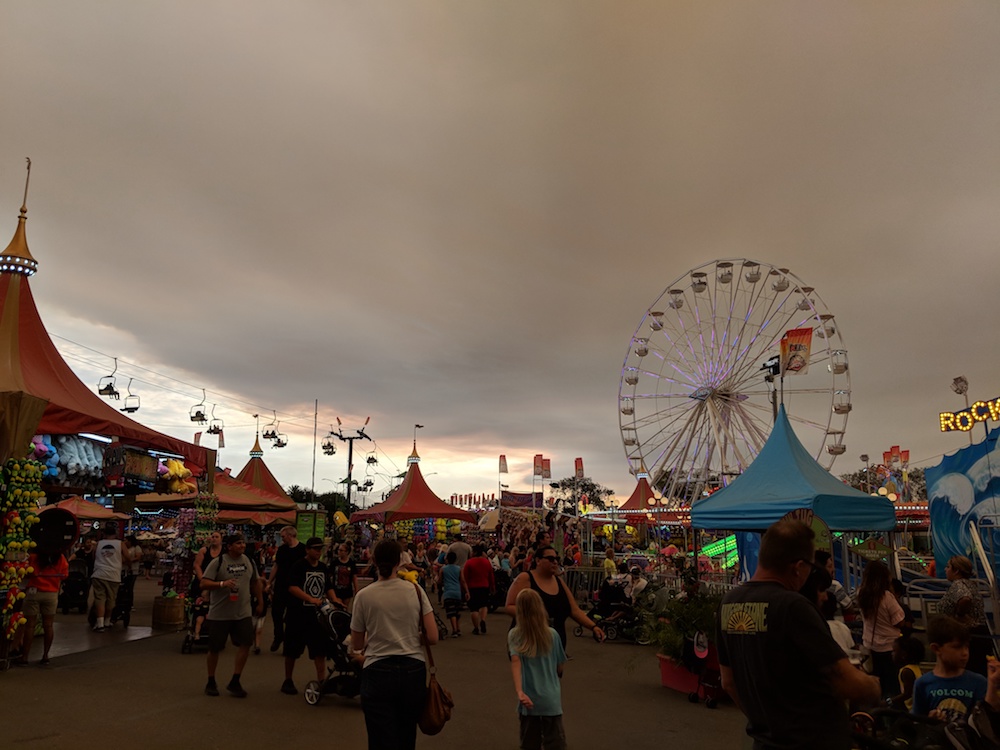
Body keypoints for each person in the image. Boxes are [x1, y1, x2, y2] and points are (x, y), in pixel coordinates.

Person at [717, 520, 880, 750]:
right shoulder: (793, 605)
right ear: (798, 566)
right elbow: (843, 679)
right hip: (812, 740)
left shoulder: (729, 602)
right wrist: (873, 686)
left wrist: (765, 722)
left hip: (765, 742)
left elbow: (729, 682)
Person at [351, 539, 438, 750]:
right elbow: (433, 636)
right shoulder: (415, 591)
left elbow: (357, 642)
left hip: (377, 670)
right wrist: (408, 635)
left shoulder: (364, 596)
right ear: (400, 561)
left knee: (380, 738)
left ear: (373, 560)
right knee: (406, 735)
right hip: (412, 669)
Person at [201, 533, 264, 698]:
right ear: (229, 546)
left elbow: (255, 582)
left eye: (243, 543)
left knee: (246, 643)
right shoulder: (218, 562)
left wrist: (260, 601)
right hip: (220, 614)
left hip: (242, 613)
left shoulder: (249, 561)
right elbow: (204, 582)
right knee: (214, 648)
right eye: (238, 543)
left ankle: (235, 680)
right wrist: (222, 584)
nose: (242, 546)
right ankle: (211, 680)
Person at [504, 545, 604, 648]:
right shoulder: (525, 578)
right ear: (538, 560)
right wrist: (535, 617)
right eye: (551, 559)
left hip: (555, 645)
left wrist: (593, 627)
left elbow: (574, 610)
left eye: (557, 559)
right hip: (529, 643)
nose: (555, 562)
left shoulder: (559, 581)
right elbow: (509, 606)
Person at [509, 588, 568, 750]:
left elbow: (515, 662)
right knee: (555, 742)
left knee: (529, 743)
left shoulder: (515, 635)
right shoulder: (553, 635)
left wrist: (520, 692)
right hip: (551, 699)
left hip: (529, 699)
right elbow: (560, 667)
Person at [282, 538, 341, 695]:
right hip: (297, 615)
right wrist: (310, 599)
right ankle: (288, 679)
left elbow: (328, 586)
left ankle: (321, 681)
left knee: (319, 650)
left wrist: (335, 600)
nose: (318, 552)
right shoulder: (298, 566)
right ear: (307, 550)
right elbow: (292, 587)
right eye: (315, 549)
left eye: (320, 549)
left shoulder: (322, 567)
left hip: (317, 617)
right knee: (292, 650)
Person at [911, 615, 987, 722]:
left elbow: (986, 723)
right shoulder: (923, 684)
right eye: (957, 647)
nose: (965, 653)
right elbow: (916, 724)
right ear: (936, 648)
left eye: (966, 646)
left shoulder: (978, 682)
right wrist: (929, 721)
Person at [857, 560, 906, 697]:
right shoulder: (887, 597)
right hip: (889, 647)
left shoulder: (861, 594)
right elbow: (899, 622)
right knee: (891, 685)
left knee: (876, 683)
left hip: (869, 645)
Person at [15, 548, 69, 666]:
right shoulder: (60, 557)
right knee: (48, 625)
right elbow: (65, 575)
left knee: (30, 626)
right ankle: (45, 656)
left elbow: (27, 572)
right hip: (51, 594)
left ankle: (25, 657)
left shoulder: (34, 557)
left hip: (34, 592)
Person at [940, 555, 990, 676]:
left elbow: (965, 599)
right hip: (978, 633)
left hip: (967, 634)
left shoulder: (958, 585)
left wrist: (959, 616)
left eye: (948, 567)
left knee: (970, 672)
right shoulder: (969, 584)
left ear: (956, 570)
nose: (945, 570)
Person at [266, 525, 306, 652]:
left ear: (290, 535)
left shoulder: (302, 549)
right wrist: (269, 582)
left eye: (283, 536)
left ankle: (288, 644)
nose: (282, 539)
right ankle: (278, 636)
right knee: (276, 612)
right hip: (280, 586)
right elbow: (276, 566)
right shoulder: (282, 549)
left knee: (292, 617)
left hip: (296, 587)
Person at [91, 524, 123, 632]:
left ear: (104, 534)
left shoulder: (98, 544)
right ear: (115, 534)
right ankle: (107, 621)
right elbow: (127, 557)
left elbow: (94, 556)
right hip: (114, 575)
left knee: (100, 599)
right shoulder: (120, 544)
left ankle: (100, 624)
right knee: (111, 599)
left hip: (99, 574)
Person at [888, 634, 925, 711]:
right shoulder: (915, 668)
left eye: (894, 651)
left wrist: (889, 702)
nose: (892, 654)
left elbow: (907, 694)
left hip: (912, 710)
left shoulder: (907, 671)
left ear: (903, 655)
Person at [465, 544, 496, 635]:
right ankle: (483, 619)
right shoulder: (486, 562)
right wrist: (492, 587)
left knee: (473, 608)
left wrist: (464, 589)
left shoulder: (469, 562)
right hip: (484, 586)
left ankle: (476, 628)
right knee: (483, 605)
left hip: (472, 587)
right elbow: (491, 576)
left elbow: (465, 577)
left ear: (474, 552)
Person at [814, 550, 855, 619]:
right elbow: (849, 608)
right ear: (821, 568)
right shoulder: (834, 585)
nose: (833, 569)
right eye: (829, 566)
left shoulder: (805, 585)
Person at [439, 550, 468, 637]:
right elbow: (462, 581)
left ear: (447, 559)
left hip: (448, 592)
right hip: (457, 592)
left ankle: (454, 630)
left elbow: (439, 581)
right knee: (457, 612)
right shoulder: (459, 569)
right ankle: (458, 628)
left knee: (451, 613)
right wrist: (467, 591)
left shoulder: (443, 569)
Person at [192, 531, 223, 597]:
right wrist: (202, 579)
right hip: (203, 579)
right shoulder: (204, 550)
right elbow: (197, 565)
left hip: (217, 582)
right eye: (213, 537)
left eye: (217, 537)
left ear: (221, 539)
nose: (214, 538)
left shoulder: (224, 552)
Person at [329, 542, 359, 610]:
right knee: (338, 607)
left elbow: (354, 577)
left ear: (346, 552)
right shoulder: (334, 562)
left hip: (347, 591)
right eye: (338, 550)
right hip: (336, 590)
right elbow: (329, 575)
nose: (339, 552)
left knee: (345, 608)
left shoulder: (351, 563)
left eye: (341, 550)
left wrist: (356, 590)